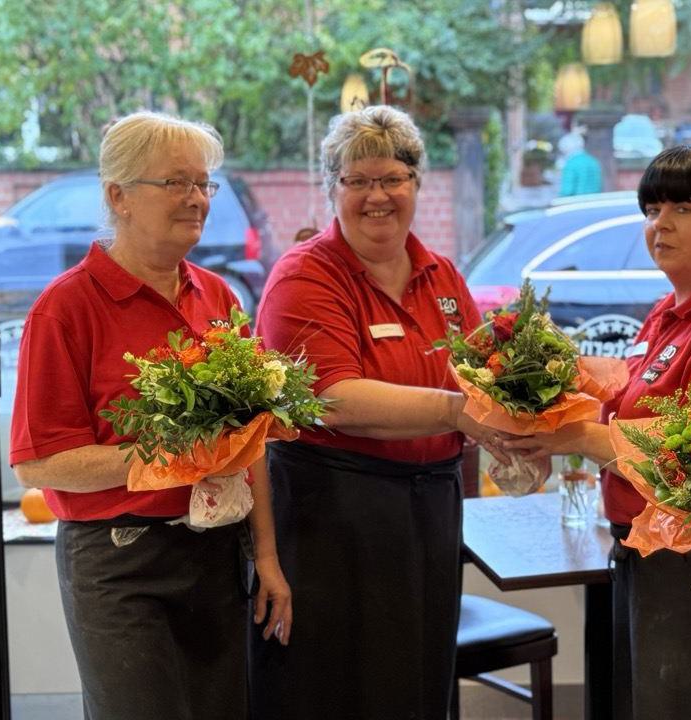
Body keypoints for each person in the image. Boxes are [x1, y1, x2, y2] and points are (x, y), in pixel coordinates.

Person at [507, 144, 691, 719]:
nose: (659, 225)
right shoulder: (671, 308)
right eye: (651, 210)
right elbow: (635, 413)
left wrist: (581, 440)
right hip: (643, 547)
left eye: (683, 208)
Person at [9, 111, 291, 719]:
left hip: (218, 552)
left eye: (203, 184)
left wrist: (265, 557)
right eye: (176, 183)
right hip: (120, 563)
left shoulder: (218, 296)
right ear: (118, 196)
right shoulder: (65, 309)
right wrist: (163, 457)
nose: (196, 199)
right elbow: (38, 465)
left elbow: (251, 442)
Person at [249, 105, 505, 719]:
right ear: (331, 188)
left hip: (432, 506)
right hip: (332, 510)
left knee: (417, 684)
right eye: (356, 181)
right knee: (336, 687)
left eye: (392, 178)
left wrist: (521, 433)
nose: (377, 196)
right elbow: (335, 397)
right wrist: (457, 411)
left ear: (417, 183)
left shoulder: (443, 276)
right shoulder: (304, 277)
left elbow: (482, 381)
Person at [557, 129, 603, 197]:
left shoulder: (571, 164)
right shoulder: (593, 161)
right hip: (593, 202)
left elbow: (567, 191)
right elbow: (599, 186)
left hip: (576, 203)